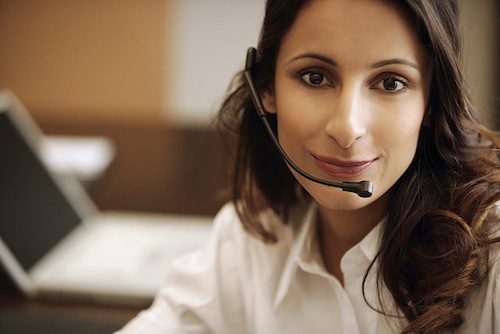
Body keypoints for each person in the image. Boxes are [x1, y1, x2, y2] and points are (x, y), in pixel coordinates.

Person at [117, 0, 500, 333]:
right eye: (315, 77)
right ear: (266, 89)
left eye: (391, 83)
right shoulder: (251, 241)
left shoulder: (493, 258)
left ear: (432, 103)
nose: (347, 128)